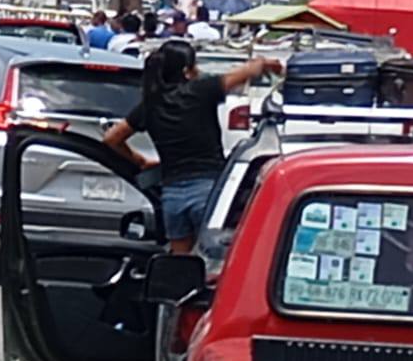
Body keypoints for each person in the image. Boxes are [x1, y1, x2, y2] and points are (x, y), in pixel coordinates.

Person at [102, 40, 283, 254]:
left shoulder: (151, 105)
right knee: (213, 261)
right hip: (207, 190)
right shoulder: (201, 91)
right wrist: (270, 64)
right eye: (195, 65)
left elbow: (112, 138)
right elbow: (247, 72)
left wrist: (140, 161)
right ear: (186, 72)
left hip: (172, 197)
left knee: (180, 265)